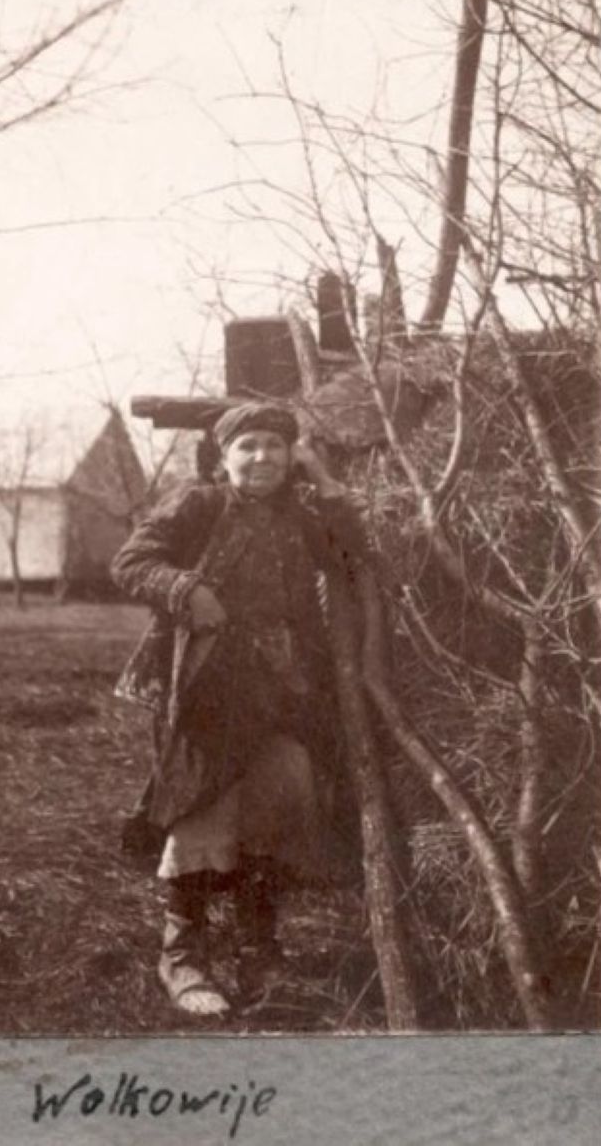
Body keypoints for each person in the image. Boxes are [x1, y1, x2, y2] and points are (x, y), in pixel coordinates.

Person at [110, 401, 367, 1017]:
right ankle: (183, 955)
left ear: (291, 456)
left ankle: (259, 948)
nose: (262, 457)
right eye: (247, 446)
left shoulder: (299, 517)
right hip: (207, 690)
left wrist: (325, 481)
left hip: (283, 690)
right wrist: (187, 589)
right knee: (203, 804)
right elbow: (130, 562)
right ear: (223, 457)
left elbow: (353, 556)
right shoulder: (198, 504)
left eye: (275, 446)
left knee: (280, 795)